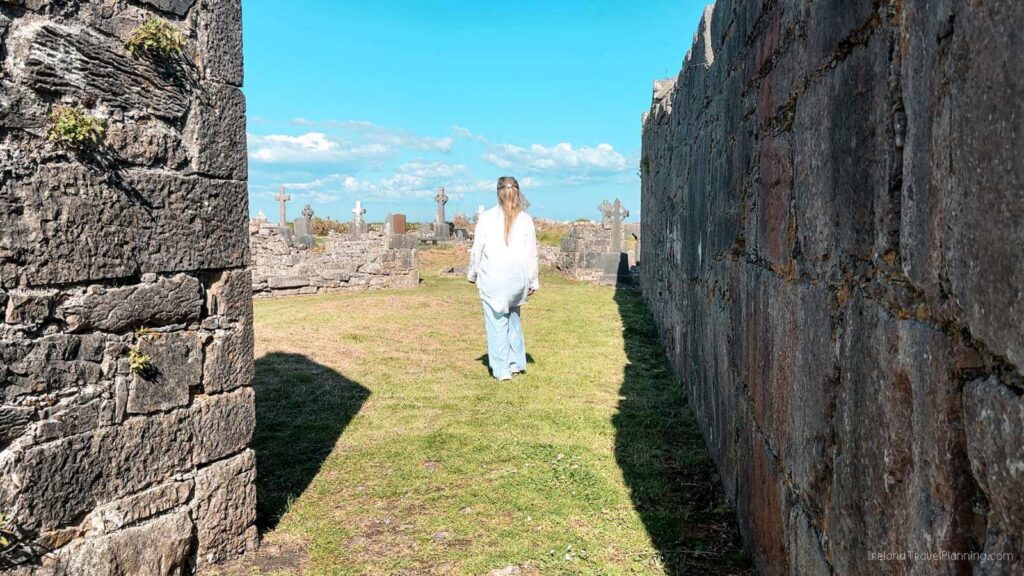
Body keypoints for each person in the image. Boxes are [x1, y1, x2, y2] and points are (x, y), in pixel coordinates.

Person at [467, 176, 540, 381]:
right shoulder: (526, 219)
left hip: (494, 278)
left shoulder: (487, 218)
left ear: (498, 192)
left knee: (497, 322)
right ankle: (517, 362)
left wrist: (472, 274)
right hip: (517, 278)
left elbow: (477, 250)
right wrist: (533, 281)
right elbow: (531, 254)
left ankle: (502, 369)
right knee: (513, 319)